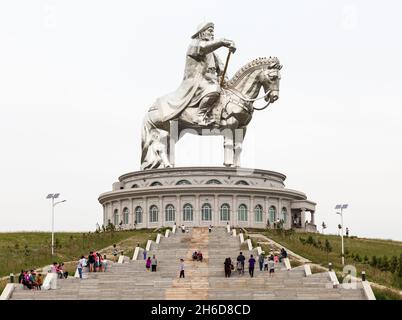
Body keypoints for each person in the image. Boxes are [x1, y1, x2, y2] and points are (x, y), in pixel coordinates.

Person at [152, 22, 236, 127]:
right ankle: (200, 116)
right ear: (201, 33)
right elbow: (204, 47)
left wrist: (224, 79)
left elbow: (221, 70)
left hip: (211, 81)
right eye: (210, 31)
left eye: (212, 31)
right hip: (197, 81)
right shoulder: (195, 44)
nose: (212, 34)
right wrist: (223, 42)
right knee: (214, 89)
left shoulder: (213, 54)